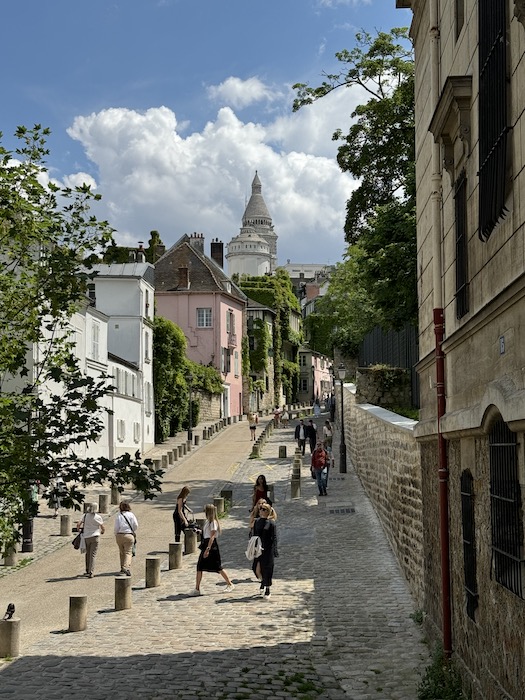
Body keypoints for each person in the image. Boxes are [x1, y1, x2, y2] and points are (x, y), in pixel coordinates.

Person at [191, 503, 234, 595]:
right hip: (206, 544)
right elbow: (206, 534)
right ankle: (197, 589)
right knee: (199, 566)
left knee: (218, 567)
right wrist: (199, 531)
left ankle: (230, 584)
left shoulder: (213, 522)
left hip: (211, 546)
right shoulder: (208, 522)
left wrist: (208, 549)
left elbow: (212, 536)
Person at [252, 503, 278, 598]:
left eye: (263, 509)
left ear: (268, 511)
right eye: (260, 509)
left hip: (268, 549)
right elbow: (254, 534)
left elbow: (274, 537)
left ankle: (267, 588)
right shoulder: (257, 521)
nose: (261, 511)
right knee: (256, 568)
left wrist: (275, 549)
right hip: (258, 548)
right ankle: (263, 581)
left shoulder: (271, 523)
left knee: (267, 569)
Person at [77, 502, 105, 579]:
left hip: (87, 536)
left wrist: (79, 530)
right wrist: (102, 531)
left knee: (87, 554)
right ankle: (91, 572)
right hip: (95, 536)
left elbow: (78, 524)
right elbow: (102, 527)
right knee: (93, 554)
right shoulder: (98, 517)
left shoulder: (85, 515)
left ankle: (87, 570)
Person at [114, 501, 138, 576]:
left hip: (119, 535)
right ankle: (126, 567)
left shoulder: (118, 515)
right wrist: (132, 530)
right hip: (128, 534)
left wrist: (116, 534)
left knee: (122, 552)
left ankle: (122, 566)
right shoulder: (131, 515)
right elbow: (135, 525)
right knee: (128, 552)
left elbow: (116, 527)